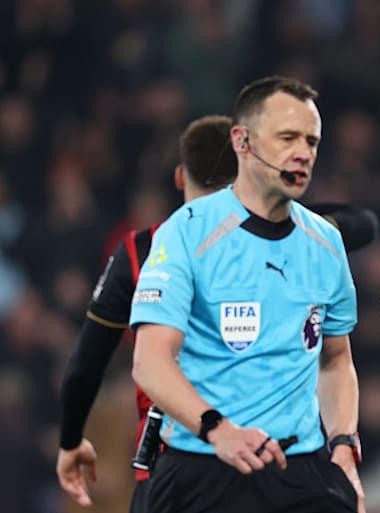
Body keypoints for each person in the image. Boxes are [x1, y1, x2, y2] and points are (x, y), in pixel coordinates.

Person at [58, 113, 376, 511]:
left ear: (180, 177)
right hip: (285, 464)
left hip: (179, 467)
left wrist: (70, 439)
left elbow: (87, 363)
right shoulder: (295, 236)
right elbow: (363, 223)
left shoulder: (143, 251)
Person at [130, 76, 365, 513]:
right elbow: (150, 362)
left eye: (311, 141)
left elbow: (335, 361)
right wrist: (219, 432)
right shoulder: (186, 231)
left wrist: (343, 446)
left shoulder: (326, 244)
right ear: (242, 141)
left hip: (303, 472)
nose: (303, 153)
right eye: (288, 138)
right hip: (204, 466)